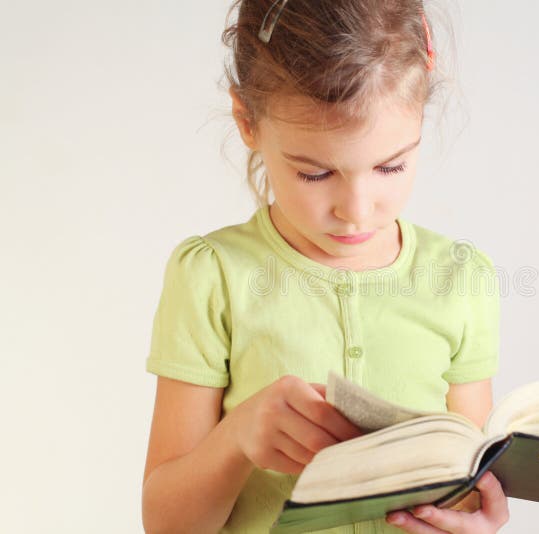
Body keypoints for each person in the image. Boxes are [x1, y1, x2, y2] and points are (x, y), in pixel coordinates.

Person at [141, 1, 509, 532]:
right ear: (247, 121)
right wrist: (237, 437)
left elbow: (468, 483)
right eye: (315, 174)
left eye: (391, 166)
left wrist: (476, 518)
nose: (356, 210)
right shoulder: (213, 276)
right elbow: (166, 524)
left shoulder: (461, 278)